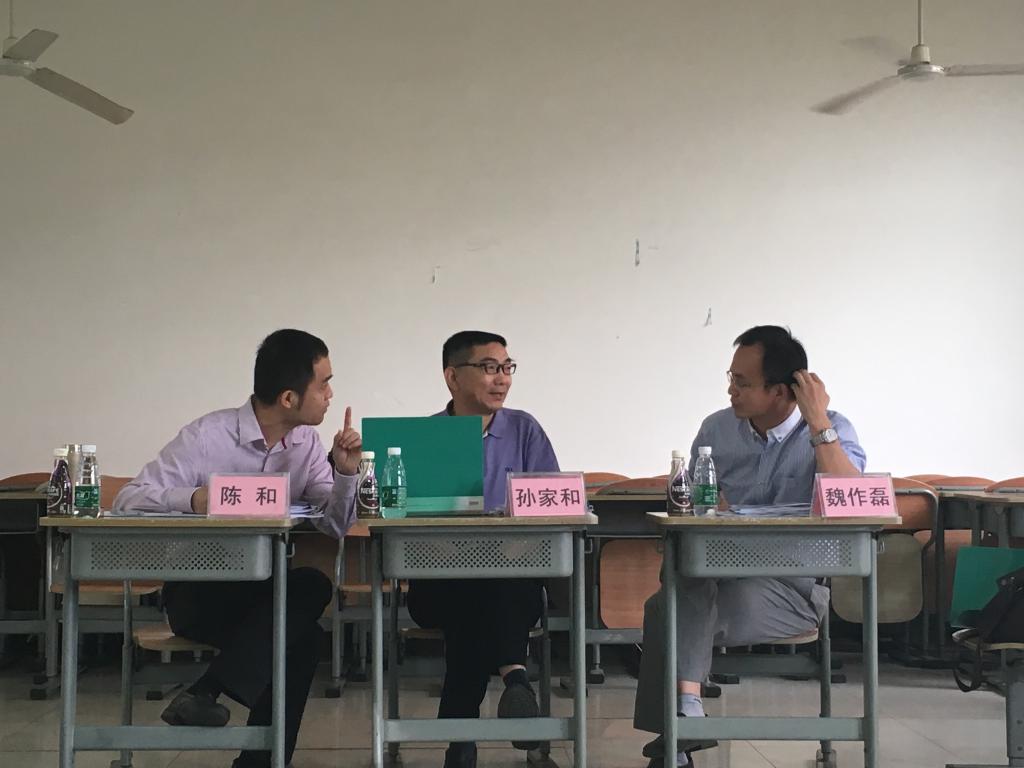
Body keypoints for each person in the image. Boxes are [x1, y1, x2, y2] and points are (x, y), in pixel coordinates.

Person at [114, 328, 363, 768]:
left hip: (264, 592)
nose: (330, 395)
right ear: (289, 398)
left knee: (310, 590)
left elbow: (334, 524)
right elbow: (128, 499)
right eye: (323, 384)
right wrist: (195, 499)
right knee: (303, 637)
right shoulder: (207, 436)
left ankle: (207, 693)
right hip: (199, 593)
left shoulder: (305, 444)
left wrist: (345, 475)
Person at [633, 325, 867, 767]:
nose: (731, 390)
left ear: (780, 392)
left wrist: (818, 423)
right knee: (680, 578)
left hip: (792, 592)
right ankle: (686, 714)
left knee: (664, 610)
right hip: (720, 577)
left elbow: (851, 505)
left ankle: (678, 736)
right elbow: (693, 510)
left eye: (742, 382)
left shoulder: (833, 429)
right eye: (731, 377)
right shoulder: (717, 429)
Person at [405, 330, 560, 768]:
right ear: (452, 377)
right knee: (472, 588)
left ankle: (460, 743)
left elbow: (550, 507)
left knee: (481, 599)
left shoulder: (525, 430)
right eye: (490, 367)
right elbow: (404, 520)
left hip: (510, 581)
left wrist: (504, 549)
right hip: (438, 584)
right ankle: (515, 676)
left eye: (507, 367)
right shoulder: (426, 438)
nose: (502, 378)